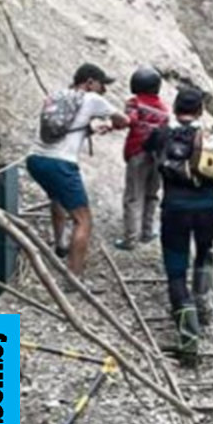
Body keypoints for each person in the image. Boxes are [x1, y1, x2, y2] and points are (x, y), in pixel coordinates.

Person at [145, 86, 213, 362]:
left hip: (175, 209)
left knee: (176, 272)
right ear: (200, 111)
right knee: (205, 251)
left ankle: (189, 340)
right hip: (209, 207)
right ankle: (203, 303)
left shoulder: (164, 132)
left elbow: (148, 147)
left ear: (175, 109)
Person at [26, 63, 128, 281]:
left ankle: (61, 245)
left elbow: (62, 130)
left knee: (57, 197)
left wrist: (91, 128)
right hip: (61, 164)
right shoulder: (92, 99)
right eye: (102, 85)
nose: (104, 91)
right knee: (83, 220)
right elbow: (123, 120)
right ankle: (74, 278)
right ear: (90, 82)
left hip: (35, 159)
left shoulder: (56, 96)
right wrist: (114, 123)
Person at [116, 66, 170, 251]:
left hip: (137, 153)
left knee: (133, 196)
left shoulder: (134, 103)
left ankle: (130, 239)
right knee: (151, 194)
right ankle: (147, 232)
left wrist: (112, 123)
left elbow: (127, 120)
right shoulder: (164, 109)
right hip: (158, 156)